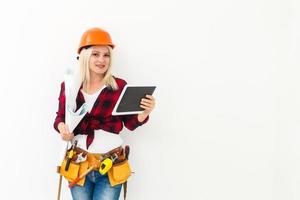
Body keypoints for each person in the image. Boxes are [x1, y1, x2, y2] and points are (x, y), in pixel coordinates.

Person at [53, 27, 155, 200]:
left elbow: (130, 123)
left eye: (106, 55)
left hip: (110, 165)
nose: (102, 60)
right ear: (85, 56)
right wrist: (62, 128)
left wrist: (145, 112)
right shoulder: (70, 86)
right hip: (79, 164)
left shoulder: (119, 86)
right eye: (95, 54)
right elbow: (60, 118)